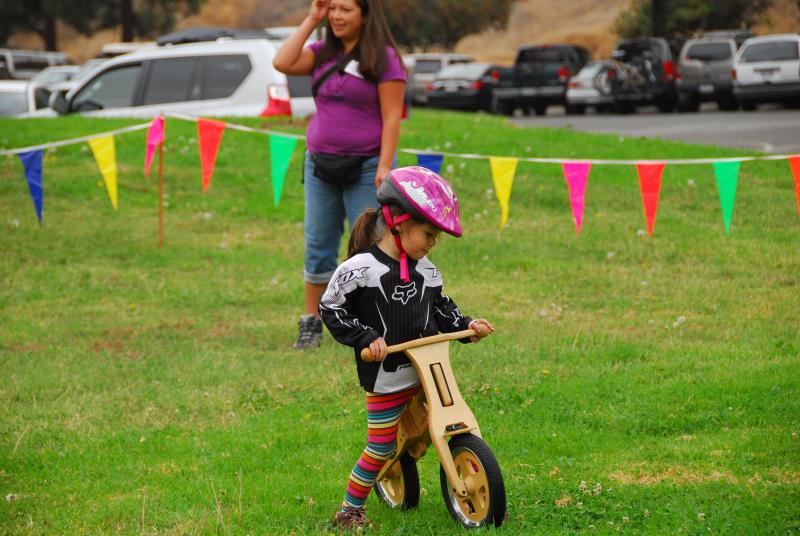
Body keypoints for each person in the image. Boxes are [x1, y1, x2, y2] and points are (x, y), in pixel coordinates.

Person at [319, 166, 495, 529]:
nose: (432, 244)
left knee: (449, 424)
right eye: (429, 234)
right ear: (399, 223)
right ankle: (349, 510)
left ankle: (486, 495)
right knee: (380, 448)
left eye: (436, 237)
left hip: (427, 372)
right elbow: (331, 307)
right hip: (386, 378)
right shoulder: (360, 269)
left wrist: (467, 326)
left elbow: (442, 308)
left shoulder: (427, 272)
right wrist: (366, 338)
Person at [272, 0, 407, 349]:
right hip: (319, 165)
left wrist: (385, 165)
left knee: (369, 246)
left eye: (345, 9)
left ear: (365, 14)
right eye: (332, 8)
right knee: (318, 245)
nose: (336, 15)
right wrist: (311, 18)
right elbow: (282, 62)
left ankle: (376, 322)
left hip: (366, 167)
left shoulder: (384, 59)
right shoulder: (321, 53)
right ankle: (311, 323)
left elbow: (392, 116)